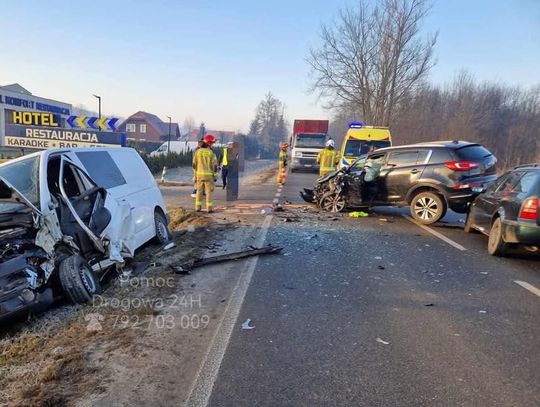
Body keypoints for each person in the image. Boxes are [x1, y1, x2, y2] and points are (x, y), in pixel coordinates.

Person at [192, 134, 218, 212]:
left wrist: (195, 175)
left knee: (199, 192)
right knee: (208, 192)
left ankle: (197, 207)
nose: (212, 144)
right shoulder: (211, 153)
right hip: (209, 176)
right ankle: (209, 208)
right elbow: (215, 166)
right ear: (209, 143)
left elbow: (194, 165)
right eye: (212, 143)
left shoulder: (197, 152)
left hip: (199, 176)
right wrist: (215, 175)